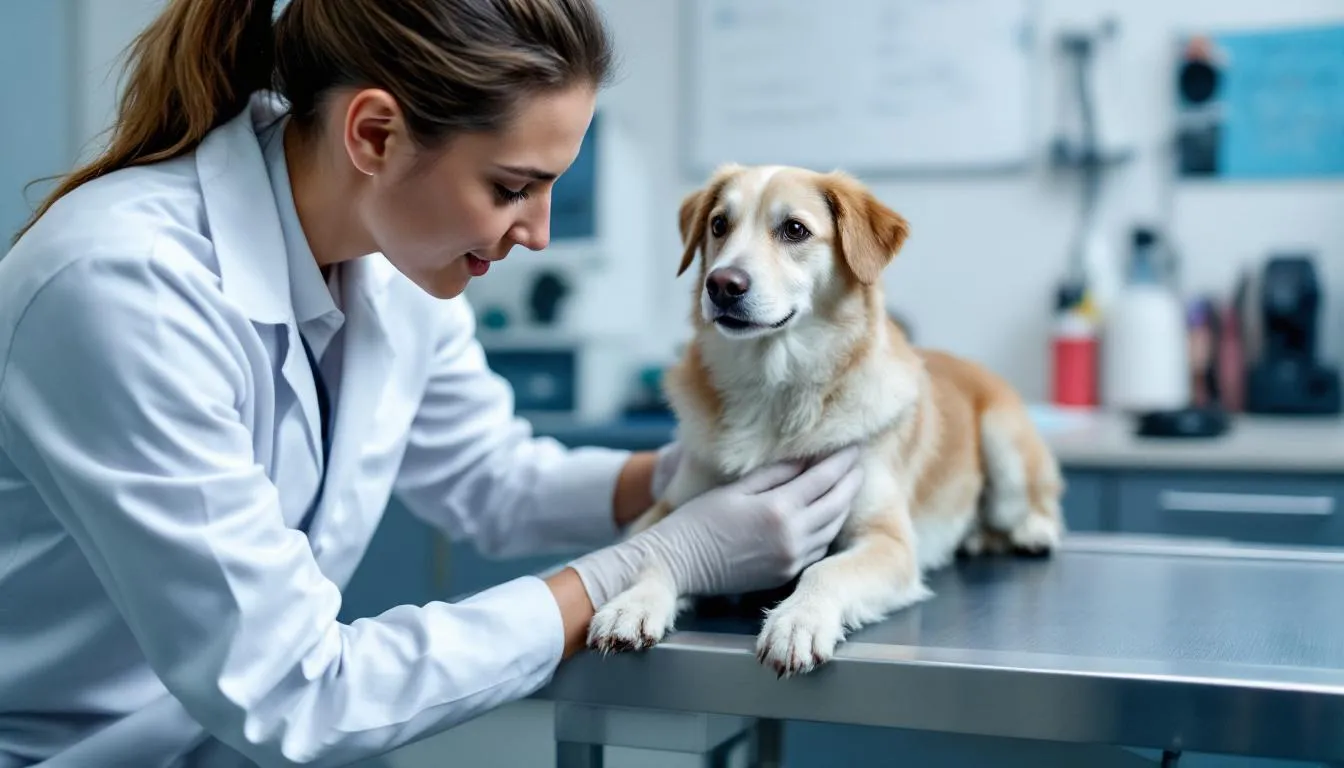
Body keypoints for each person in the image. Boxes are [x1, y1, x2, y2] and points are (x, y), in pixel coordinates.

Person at [0, 1, 865, 766]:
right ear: (375, 135)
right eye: (512, 188)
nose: (538, 233)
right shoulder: (127, 286)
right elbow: (299, 693)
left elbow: (491, 481)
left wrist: (684, 473)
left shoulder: (392, 258)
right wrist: (658, 558)